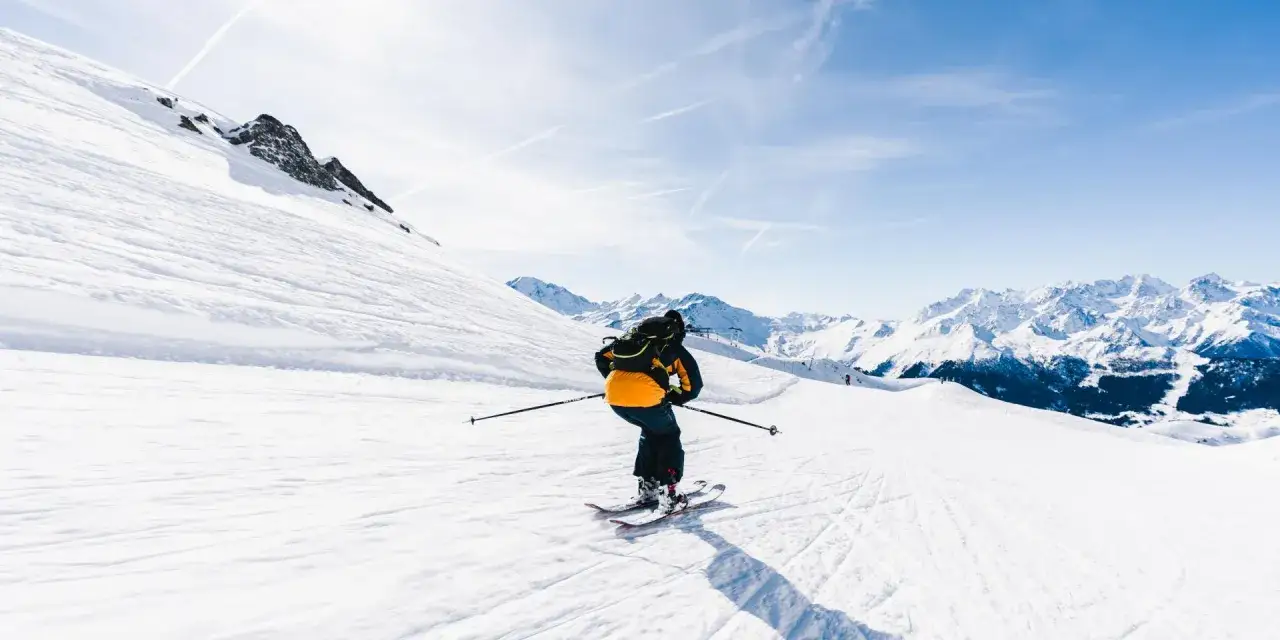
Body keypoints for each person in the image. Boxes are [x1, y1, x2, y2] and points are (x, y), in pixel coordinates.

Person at [595, 310, 703, 513]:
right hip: (649, 402)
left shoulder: (632, 341)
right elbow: (693, 387)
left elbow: (601, 356)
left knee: (650, 433)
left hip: (616, 400)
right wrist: (674, 397)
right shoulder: (673, 348)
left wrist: (621, 383)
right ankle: (670, 494)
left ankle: (648, 488)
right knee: (669, 435)